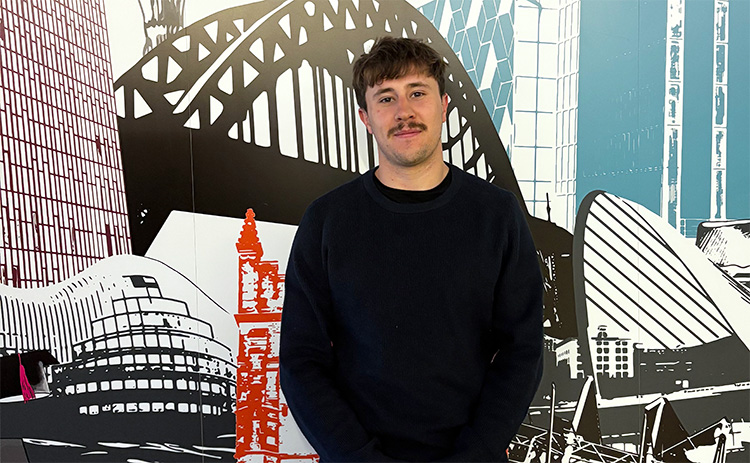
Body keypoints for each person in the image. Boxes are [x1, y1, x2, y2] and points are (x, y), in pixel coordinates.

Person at [279, 36, 543, 462]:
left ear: (442, 105)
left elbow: (523, 349)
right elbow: (300, 361)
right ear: (365, 118)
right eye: (386, 98)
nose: (404, 112)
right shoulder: (327, 221)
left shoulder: (496, 214)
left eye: (417, 93)